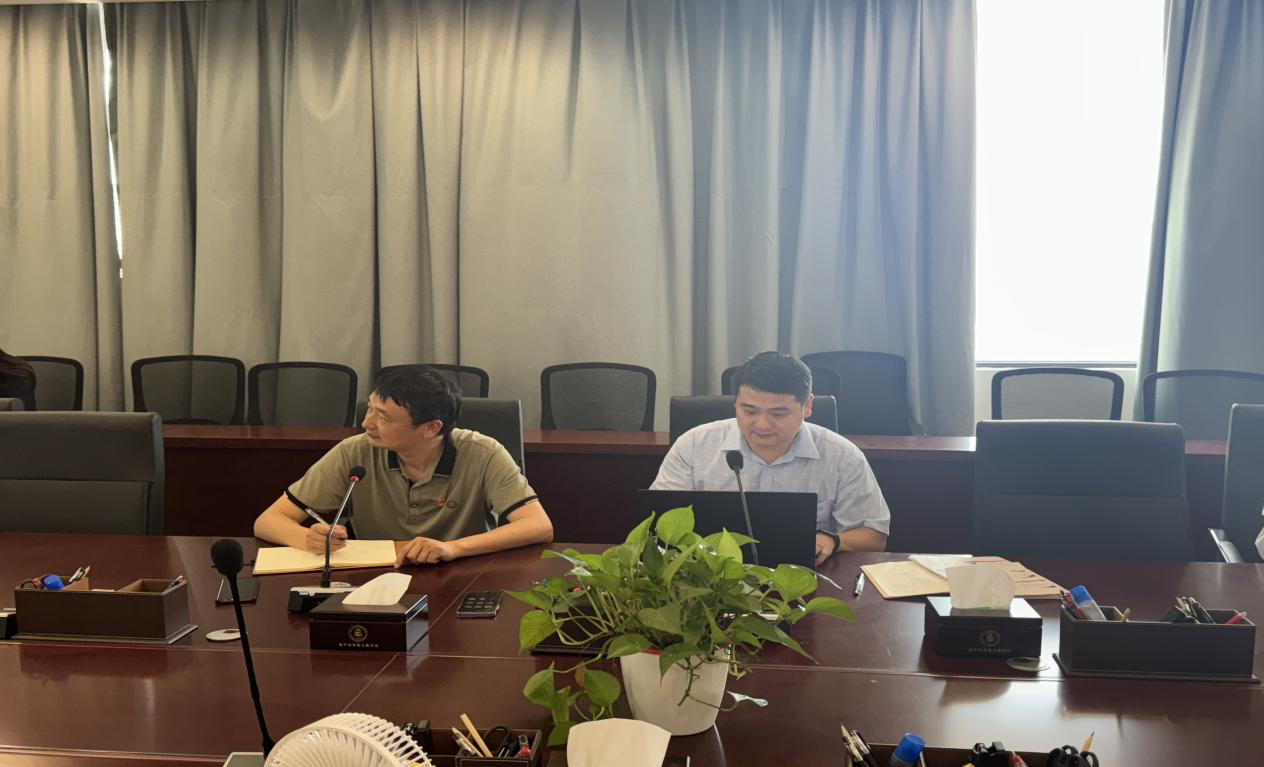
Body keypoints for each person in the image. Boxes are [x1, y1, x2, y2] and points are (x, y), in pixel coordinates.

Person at [254, 365, 553, 565]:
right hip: (374, 577)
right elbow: (267, 521)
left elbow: (538, 526)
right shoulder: (353, 452)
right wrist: (307, 538)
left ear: (431, 428)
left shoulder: (483, 453)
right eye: (370, 409)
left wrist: (452, 548)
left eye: (383, 417)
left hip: (461, 573)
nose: (367, 423)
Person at [651, 351, 889, 565]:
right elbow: (659, 525)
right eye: (749, 410)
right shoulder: (693, 445)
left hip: (805, 579)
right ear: (735, 403)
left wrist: (833, 541)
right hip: (708, 578)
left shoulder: (842, 456)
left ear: (807, 405)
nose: (762, 425)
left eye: (778, 413)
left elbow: (874, 536)